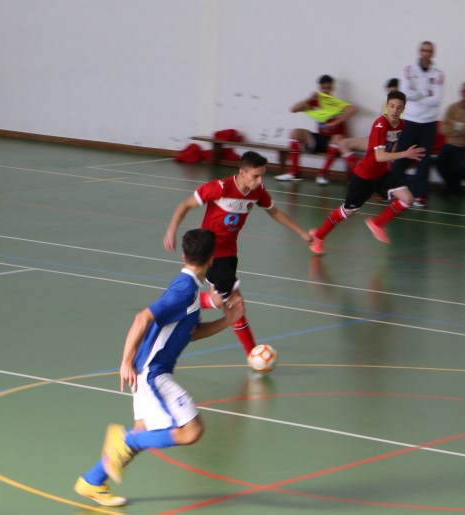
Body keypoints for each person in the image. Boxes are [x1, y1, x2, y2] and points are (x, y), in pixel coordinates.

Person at [74, 228, 243, 507]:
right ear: (211, 259)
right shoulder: (184, 291)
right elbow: (142, 318)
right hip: (153, 373)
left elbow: (190, 332)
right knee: (191, 431)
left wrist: (228, 320)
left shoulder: (188, 290)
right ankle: (124, 439)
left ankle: (91, 481)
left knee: (145, 434)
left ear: (183, 255)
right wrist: (125, 361)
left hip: (148, 372)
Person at [164, 151, 311, 360]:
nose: (260, 181)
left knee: (220, 301)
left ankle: (188, 302)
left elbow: (275, 212)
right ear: (242, 173)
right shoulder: (219, 188)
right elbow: (185, 205)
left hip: (230, 252)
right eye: (255, 176)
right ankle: (253, 355)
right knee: (236, 304)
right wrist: (172, 230)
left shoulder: (257, 191)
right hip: (212, 251)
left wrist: (302, 233)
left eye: (262, 176)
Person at [308, 90, 426, 254]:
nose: (394, 110)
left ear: (403, 109)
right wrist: (405, 154)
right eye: (392, 106)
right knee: (347, 212)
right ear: (386, 106)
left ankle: (377, 223)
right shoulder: (380, 124)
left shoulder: (401, 124)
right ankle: (318, 237)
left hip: (382, 173)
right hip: (365, 175)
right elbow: (379, 156)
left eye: (399, 108)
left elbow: (392, 147)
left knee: (407, 199)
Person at [276, 75, 357, 185]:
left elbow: (353, 109)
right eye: (323, 88)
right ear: (320, 88)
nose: (326, 90)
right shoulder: (316, 101)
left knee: (337, 137)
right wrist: (309, 98)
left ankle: (322, 174)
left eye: (328, 87)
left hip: (336, 143)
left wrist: (334, 122)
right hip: (320, 138)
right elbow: (293, 109)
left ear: (332, 88)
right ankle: (294, 172)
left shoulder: (337, 102)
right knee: (295, 133)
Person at [390, 41, 444, 208]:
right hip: (411, 120)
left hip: (429, 123)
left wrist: (417, 94)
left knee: (424, 159)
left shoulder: (439, 74)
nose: (426, 53)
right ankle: (392, 189)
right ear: (420, 52)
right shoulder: (408, 70)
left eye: (429, 51)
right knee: (401, 155)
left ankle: (420, 195)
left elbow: (437, 100)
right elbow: (405, 93)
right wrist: (426, 93)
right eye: (424, 50)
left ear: (433, 53)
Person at [335, 78, 400, 173]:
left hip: (392, 144)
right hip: (378, 141)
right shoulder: (385, 105)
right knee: (342, 143)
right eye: (390, 93)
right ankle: (355, 174)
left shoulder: (408, 109)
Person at [436, 81, 465, 198]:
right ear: (461, 93)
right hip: (449, 144)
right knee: (439, 163)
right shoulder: (452, 108)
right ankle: (453, 186)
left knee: (458, 165)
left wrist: (456, 125)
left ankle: (452, 188)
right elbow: (442, 129)